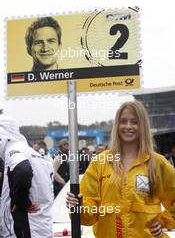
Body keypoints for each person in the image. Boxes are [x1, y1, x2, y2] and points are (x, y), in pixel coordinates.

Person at [66, 100, 175, 238]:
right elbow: (88, 215)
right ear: (117, 125)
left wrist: (164, 221)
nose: (128, 126)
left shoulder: (157, 163)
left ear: (142, 126)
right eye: (123, 121)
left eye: (134, 122)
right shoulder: (101, 162)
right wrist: (78, 206)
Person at [0, 113, 54, 238]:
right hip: (42, 226)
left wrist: (22, 202)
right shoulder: (32, 153)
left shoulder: (13, 150)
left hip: (24, 228)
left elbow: (22, 169)